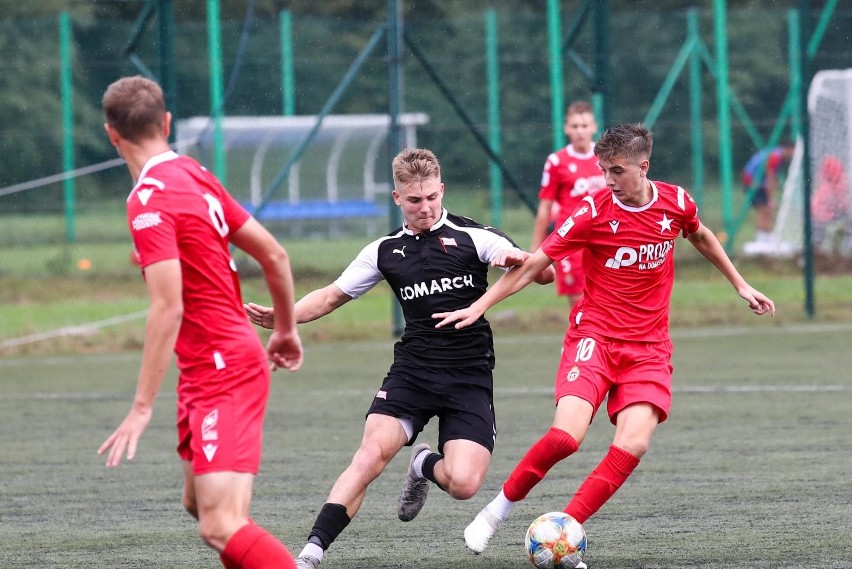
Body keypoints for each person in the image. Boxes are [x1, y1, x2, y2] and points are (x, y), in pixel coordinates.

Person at [432, 124, 775, 560]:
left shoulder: (676, 202)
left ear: (642, 166)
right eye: (603, 170)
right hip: (594, 338)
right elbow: (536, 262)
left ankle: (566, 532)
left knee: (633, 444)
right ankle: (495, 513)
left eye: (616, 170)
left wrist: (741, 285)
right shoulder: (592, 212)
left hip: (649, 349)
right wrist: (482, 305)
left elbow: (702, 235)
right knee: (565, 438)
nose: (608, 179)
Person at [243, 147, 554, 569]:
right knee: (369, 456)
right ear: (397, 198)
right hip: (413, 373)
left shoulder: (475, 236)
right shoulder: (384, 251)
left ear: (441, 190)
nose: (425, 208)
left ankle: (424, 463)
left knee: (463, 484)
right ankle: (309, 555)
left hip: (468, 376)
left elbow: (546, 272)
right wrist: (284, 317)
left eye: (431, 198)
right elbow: (331, 296)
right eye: (414, 200)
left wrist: (516, 259)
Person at [97, 75, 304, 569]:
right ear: (166, 123)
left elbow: (168, 307)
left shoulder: (147, 200)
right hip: (209, 366)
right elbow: (274, 255)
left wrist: (142, 406)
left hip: (222, 367)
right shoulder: (194, 173)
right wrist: (285, 329)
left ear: (112, 135)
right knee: (200, 506)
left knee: (220, 522)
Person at [531, 101, 607, 308]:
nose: (580, 131)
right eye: (574, 126)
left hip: (606, 238)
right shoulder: (556, 162)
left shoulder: (606, 158)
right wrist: (535, 252)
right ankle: (579, 341)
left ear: (593, 127)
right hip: (572, 241)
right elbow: (545, 207)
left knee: (609, 300)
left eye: (584, 125)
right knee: (580, 304)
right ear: (566, 128)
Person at [741, 140, 795, 252]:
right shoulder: (776, 157)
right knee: (764, 209)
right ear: (789, 149)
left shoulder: (775, 153)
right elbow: (770, 178)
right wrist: (771, 198)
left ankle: (765, 237)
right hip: (753, 183)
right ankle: (761, 240)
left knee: (766, 210)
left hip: (754, 182)